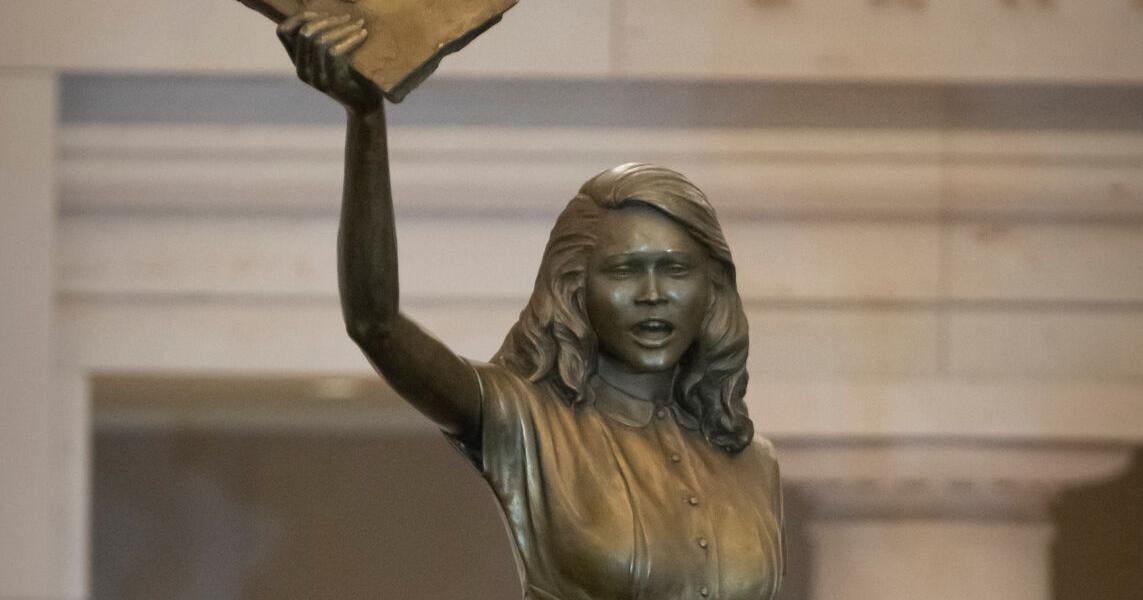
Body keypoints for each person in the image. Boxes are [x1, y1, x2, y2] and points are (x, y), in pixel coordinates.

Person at [277, 12, 784, 600]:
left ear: (712, 288)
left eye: (675, 269)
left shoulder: (755, 464)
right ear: (576, 287)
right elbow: (376, 325)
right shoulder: (526, 423)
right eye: (623, 270)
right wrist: (365, 119)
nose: (652, 294)